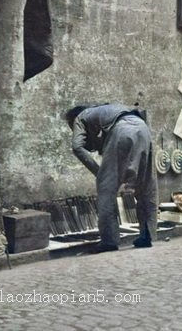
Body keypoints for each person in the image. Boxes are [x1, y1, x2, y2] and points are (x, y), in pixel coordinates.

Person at [65, 103, 158, 253]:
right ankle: (147, 235)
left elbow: (77, 146)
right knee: (146, 185)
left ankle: (109, 241)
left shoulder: (80, 118)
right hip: (143, 128)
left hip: (122, 131)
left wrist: (98, 172)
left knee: (106, 188)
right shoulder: (104, 111)